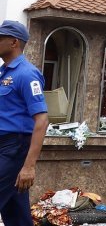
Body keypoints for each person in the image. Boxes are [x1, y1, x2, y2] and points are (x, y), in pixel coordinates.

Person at [0, 20, 49, 226]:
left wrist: (29, 166)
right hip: (5, 146)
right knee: (16, 212)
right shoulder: (5, 72)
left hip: (15, 147)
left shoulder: (27, 74)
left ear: (14, 42)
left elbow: (42, 120)